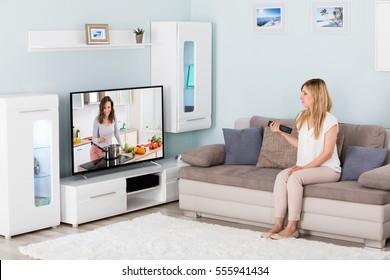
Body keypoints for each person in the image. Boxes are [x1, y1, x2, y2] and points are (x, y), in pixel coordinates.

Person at [262, 78, 341, 239]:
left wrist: (304, 168)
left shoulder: (330, 120)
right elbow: (301, 144)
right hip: (306, 168)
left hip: (328, 169)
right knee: (281, 176)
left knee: (294, 177)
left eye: (305, 93)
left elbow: (327, 153)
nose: (301, 97)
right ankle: (278, 224)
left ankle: (292, 227)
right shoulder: (301, 117)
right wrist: (282, 133)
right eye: (301, 93)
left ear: (316, 95)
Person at [90, 96, 123, 161]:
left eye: (109, 107)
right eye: (104, 108)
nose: (107, 110)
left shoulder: (114, 117)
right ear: (101, 108)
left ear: (111, 107)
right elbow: (93, 139)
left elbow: (117, 133)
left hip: (107, 151)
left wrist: (122, 147)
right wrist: (99, 140)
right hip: (96, 151)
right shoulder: (97, 119)